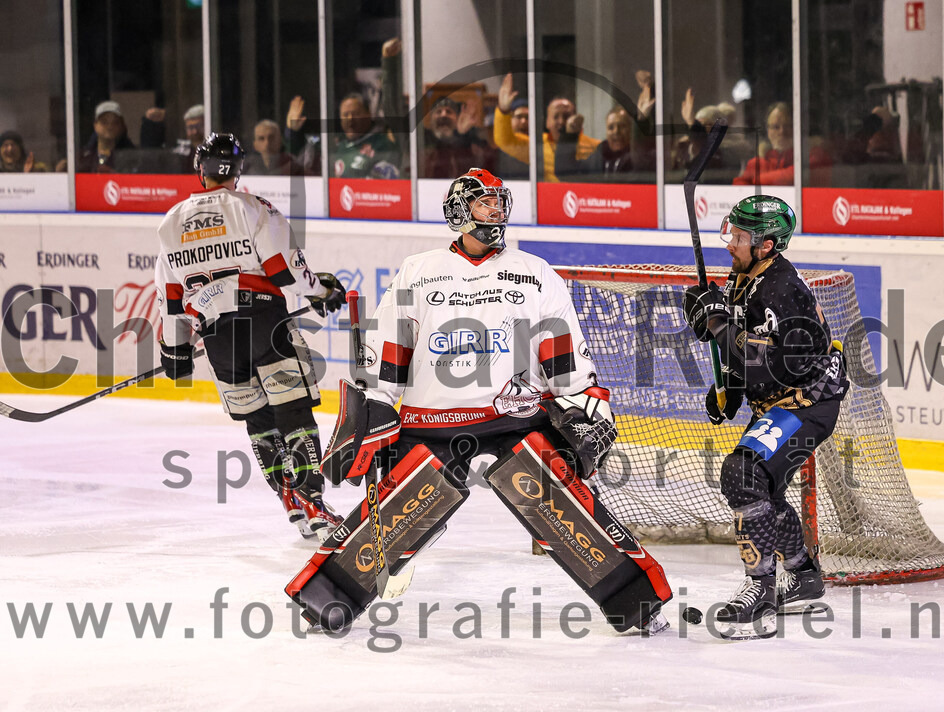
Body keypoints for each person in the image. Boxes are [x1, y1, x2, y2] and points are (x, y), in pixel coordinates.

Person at [287, 168, 673, 635]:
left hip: (513, 417)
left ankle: (636, 601)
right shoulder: (419, 270)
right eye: (483, 202)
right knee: (396, 511)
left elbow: (562, 350)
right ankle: (327, 598)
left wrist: (582, 401)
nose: (495, 211)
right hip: (430, 421)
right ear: (458, 210)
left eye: (499, 202)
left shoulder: (534, 272)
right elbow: (389, 348)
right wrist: (374, 404)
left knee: (561, 499)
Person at [154, 133, 345, 542]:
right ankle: (312, 500)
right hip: (264, 321)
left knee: (258, 420)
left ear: (199, 168)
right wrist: (323, 292)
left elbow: (171, 300)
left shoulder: (170, 223)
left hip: (219, 336)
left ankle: (289, 499)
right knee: (292, 409)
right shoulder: (253, 209)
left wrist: (176, 349)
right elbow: (284, 270)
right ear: (238, 171)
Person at [682, 195, 848, 640]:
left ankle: (761, 595)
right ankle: (803, 578)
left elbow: (786, 364)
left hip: (809, 402)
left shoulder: (782, 287)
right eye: (731, 232)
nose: (730, 243)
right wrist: (729, 391)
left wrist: (719, 328)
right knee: (761, 488)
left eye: (740, 237)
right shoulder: (746, 278)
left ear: (767, 245)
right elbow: (746, 352)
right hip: (782, 402)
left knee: (742, 474)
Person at [493, 73, 601, 182]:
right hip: (549, 197)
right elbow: (505, 142)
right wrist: (503, 110)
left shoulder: (592, 146)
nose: (561, 121)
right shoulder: (537, 146)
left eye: (566, 116)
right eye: (556, 116)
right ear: (547, 122)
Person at [733, 102, 831, 187]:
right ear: (768, 131)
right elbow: (738, 187)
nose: (782, 132)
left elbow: (793, 176)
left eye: (788, 126)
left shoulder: (813, 154)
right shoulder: (758, 162)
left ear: (797, 128)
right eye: (776, 127)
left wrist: (755, 180)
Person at [421, 96, 494, 178]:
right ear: (431, 119)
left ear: (457, 118)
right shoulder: (422, 140)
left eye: (448, 112)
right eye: (438, 112)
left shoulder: (470, 140)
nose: (444, 115)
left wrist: (464, 135)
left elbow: (488, 161)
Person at [77, 101, 137, 173]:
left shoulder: (130, 157)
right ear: (95, 125)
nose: (110, 127)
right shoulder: (82, 157)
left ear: (121, 126)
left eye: (115, 122)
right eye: (104, 122)